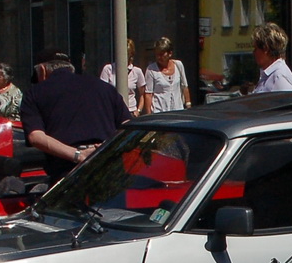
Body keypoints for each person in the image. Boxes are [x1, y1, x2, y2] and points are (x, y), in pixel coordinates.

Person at [20, 49, 131, 182]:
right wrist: (105, 149)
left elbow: (36, 137)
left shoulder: (34, 93)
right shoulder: (105, 88)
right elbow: (128, 127)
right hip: (109, 169)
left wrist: (79, 155)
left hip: (67, 174)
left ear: (42, 70)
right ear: (70, 68)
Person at [99, 40, 150, 115]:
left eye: (127, 54)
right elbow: (102, 93)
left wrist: (138, 110)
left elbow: (142, 94)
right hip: (113, 111)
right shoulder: (108, 69)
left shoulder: (137, 71)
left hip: (131, 111)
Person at [145, 38, 192, 113]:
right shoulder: (151, 70)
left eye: (162, 54)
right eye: (157, 54)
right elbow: (148, 94)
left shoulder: (178, 65)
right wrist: (149, 114)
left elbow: (185, 86)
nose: (159, 57)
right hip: (160, 112)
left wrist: (188, 105)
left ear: (170, 53)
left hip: (178, 110)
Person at [251, 23, 292, 93]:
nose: (253, 52)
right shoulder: (268, 76)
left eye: (256, 49)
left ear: (266, 49)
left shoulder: (280, 77)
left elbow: (285, 100)